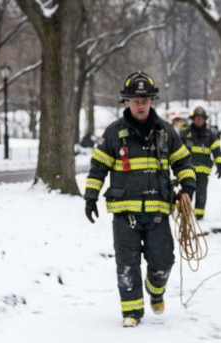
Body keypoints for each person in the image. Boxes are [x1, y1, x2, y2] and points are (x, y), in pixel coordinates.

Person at [84, 71, 196, 327]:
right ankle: (132, 312)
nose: (141, 104)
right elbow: (98, 167)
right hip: (125, 215)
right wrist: (91, 196)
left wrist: (188, 187)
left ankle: (155, 289)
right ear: (127, 101)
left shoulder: (166, 132)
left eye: (145, 99)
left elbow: (183, 162)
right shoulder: (113, 134)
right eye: (136, 100)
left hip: (158, 211)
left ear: (152, 101)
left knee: (164, 259)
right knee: (127, 264)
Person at [182, 106, 221, 220]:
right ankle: (185, 215)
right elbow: (177, 151)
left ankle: (199, 216)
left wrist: (219, 165)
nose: (198, 120)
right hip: (188, 171)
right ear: (193, 119)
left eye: (201, 118)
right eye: (196, 118)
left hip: (203, 173)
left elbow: (217, 151)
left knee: (201, 194)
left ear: (205, 119)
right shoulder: (185, 134)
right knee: (187, 193)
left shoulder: (211, 135)